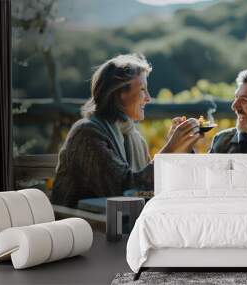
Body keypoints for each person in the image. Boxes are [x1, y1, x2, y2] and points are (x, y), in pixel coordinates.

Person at [51, 54, 201, 207]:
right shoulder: (87, 134)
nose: (148, 98)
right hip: (82, 226)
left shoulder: (135, 138)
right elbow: (124, 191)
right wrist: (169, 151)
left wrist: (180, 147)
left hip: (116, 225)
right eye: (143, 89)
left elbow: (150, 188)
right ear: (119, 93)